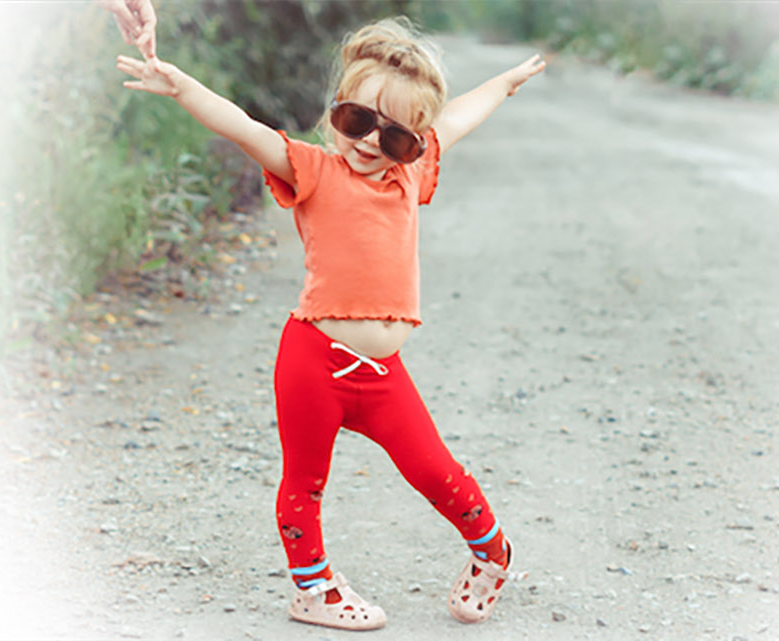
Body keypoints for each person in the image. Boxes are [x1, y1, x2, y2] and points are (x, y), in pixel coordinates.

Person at [116, 9, 546, 632]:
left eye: (395, 136)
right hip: (312, 359)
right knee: (304, 481)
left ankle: (494, 554)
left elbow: (455, 118)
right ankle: (312, 589)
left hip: (382, 373)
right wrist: (178, 83)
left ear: (414, 144)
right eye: (357, 121)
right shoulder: (313, 169)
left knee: (435, 471)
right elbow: (243, 127)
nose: (371, 143)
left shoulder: (410, 175)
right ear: (335, 112)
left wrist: (503, 84)